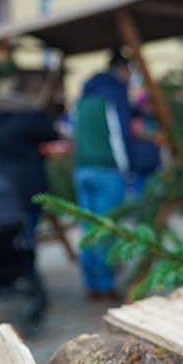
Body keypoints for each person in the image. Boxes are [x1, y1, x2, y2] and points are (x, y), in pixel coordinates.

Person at [73, 50, 134, 299]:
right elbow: (118, 135)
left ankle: (92, 283)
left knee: (87, 228)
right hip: (107, 169)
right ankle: (107, 284)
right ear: (120, 70)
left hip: (82, 169)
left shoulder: (83, 98)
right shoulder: (113, 96)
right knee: (107, 227)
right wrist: (127, 168)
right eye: (129, 71)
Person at [0, 71, 60, 245]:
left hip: (0, 180)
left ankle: (11, 264)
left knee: (7, 225)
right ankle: (28, 266)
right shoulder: (26, 117)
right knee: (29, 225)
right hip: (29, 179)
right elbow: (51, 134)